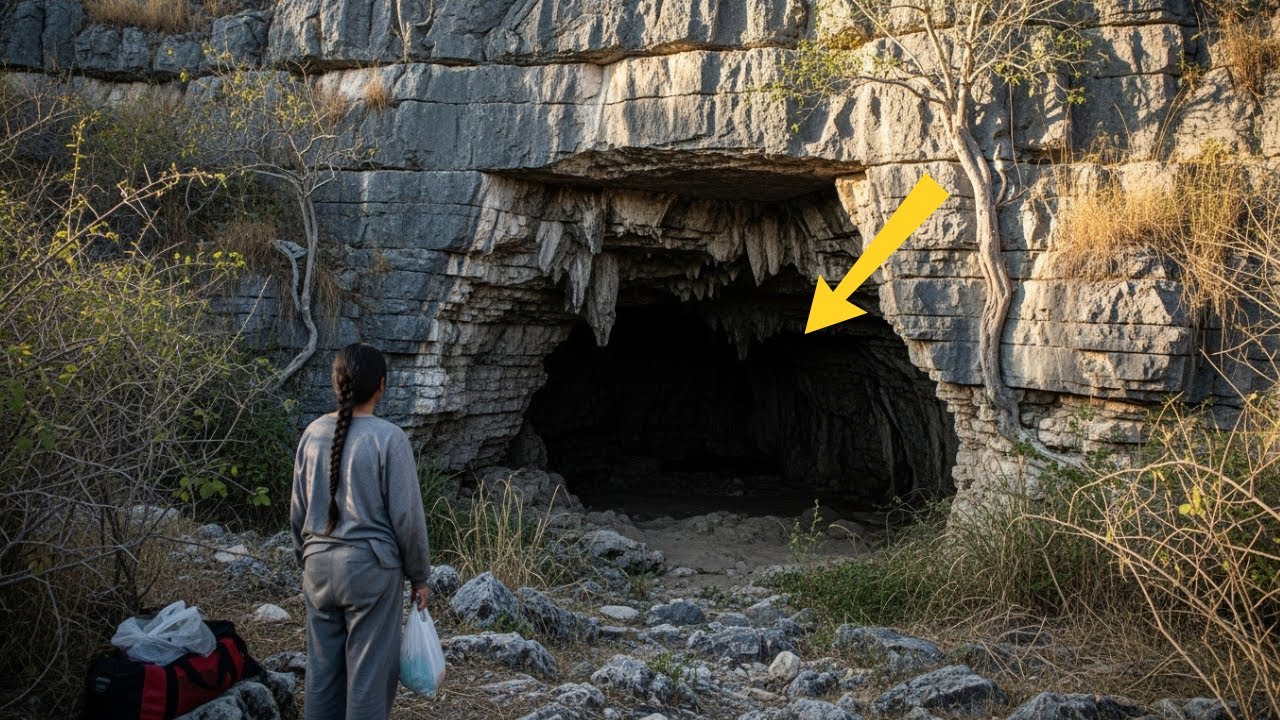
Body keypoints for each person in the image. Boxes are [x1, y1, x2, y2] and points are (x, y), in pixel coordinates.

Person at [290, 342, 432, 720]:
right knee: (369, 678)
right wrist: (420, 577)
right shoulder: (389, 438)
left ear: (336, 384)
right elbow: (408, 520)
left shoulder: (312, 433)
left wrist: (305, 559)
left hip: (317, 567)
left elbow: (297, 512)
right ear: (381, 386)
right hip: (371, 570)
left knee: (321, 673)